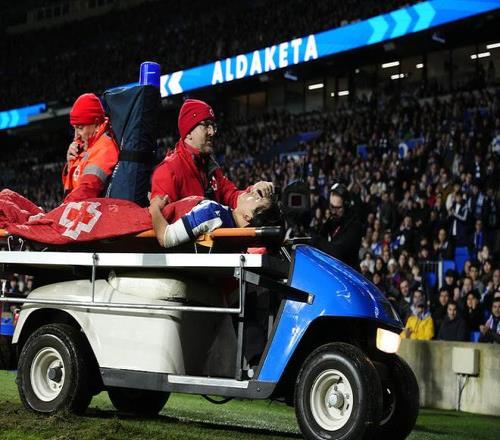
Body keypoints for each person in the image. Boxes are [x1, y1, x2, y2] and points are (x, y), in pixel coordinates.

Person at [151, 99, 272, 208]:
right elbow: (161, 220)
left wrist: (253, 191)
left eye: (213, 126)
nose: (212, 132)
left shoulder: (210, 166)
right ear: (188, 132)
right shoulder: (169, 170)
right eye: (206, 126)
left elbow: (231, 196)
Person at [149, 191, 281, 248]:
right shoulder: (238, 241)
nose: (253, 192)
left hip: (146, 222)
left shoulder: (211, 213)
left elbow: (166, 237)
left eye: (257, 199)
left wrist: (154, 207)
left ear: (247, 216)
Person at [62, 93, 119, 202]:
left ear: (96, 124)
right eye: (74, 128)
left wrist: (61, 209)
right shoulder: (87, 145)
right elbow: (73, 187)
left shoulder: (104, 147)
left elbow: (87, 189)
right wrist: (70, 165)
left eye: (80, 128)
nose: (76, 135)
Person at [311, 183, 363, 268]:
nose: (334, 211)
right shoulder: (333, 219)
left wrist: (316, 240)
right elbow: (320, 234)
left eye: (338, 208)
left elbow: (338, 251)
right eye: (332, 207)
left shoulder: (355, 225)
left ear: (346, 205)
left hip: (348, 272)